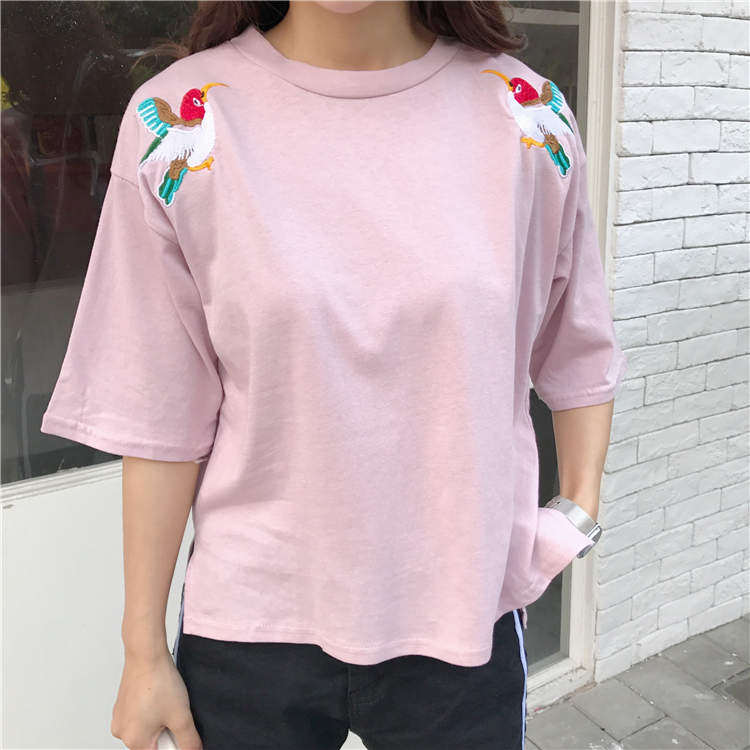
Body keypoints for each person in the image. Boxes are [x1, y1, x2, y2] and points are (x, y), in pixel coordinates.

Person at [40, 1, 628, 748]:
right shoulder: (180, 121)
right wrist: (142, 650)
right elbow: (157, 407)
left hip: (462, 610)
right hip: (251, 623)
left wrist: (575, 514)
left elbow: (577, 344)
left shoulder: (525, 116)